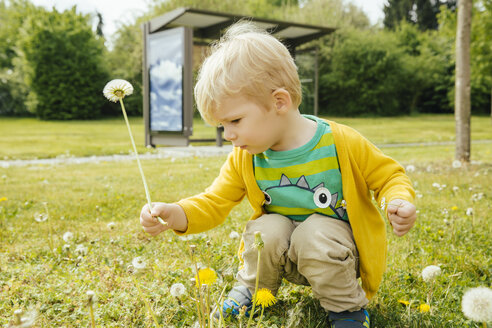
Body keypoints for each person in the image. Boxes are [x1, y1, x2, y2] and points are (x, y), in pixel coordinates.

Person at [140, 21, 417, 328]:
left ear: (279, 102)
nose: (229, 135)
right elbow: (214, 200)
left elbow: (389, 175)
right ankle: (253, 291)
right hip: (282, 256)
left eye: (235, 120)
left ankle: (347, 309)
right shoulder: (247, 156)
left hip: (333, 255)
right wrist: (176, 213)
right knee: (266, 229)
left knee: (314, 233)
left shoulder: (341, 142)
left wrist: (398, 200)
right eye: (223, 126)